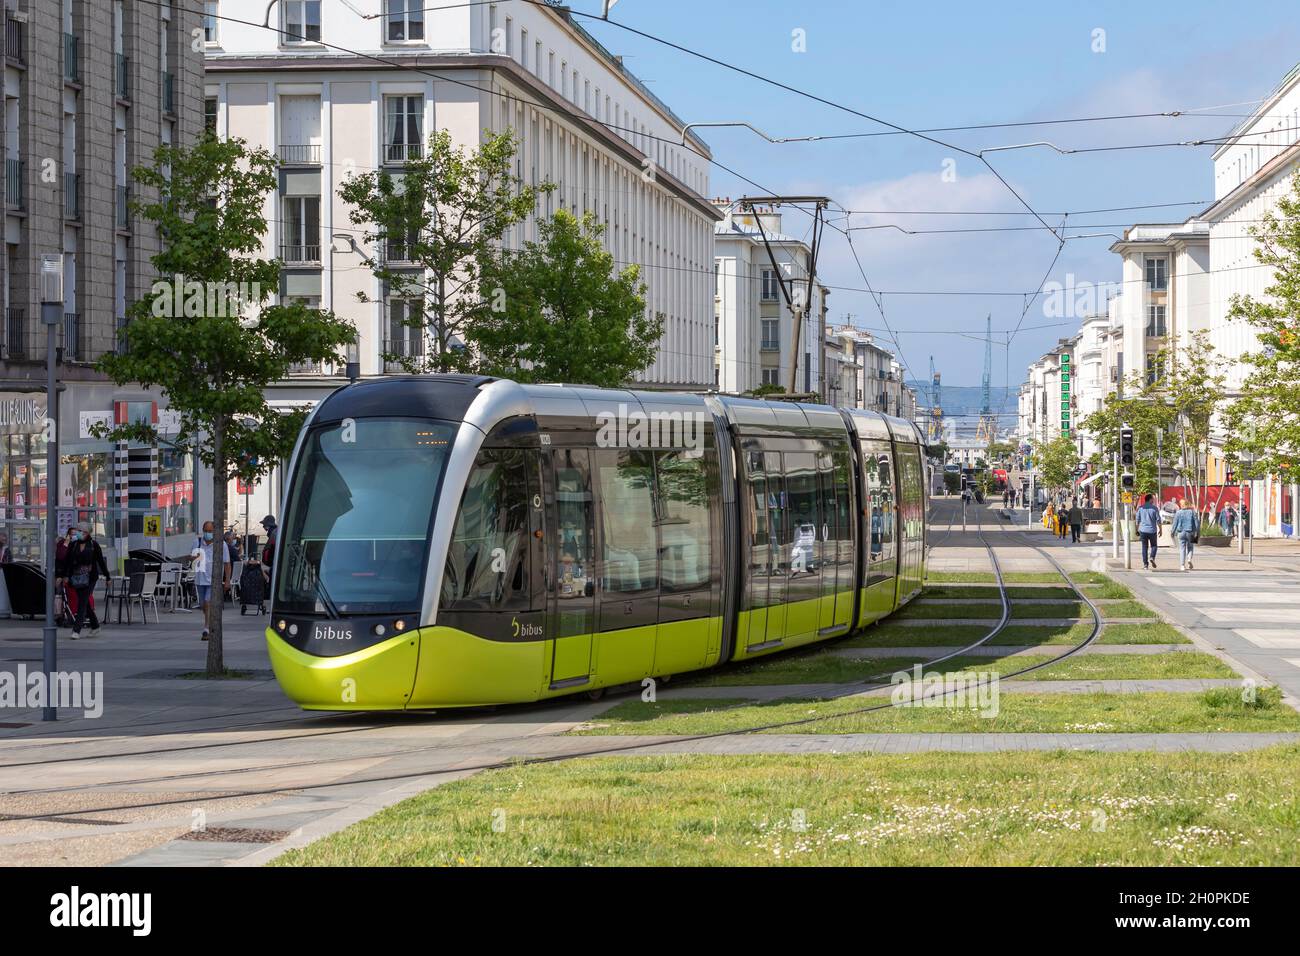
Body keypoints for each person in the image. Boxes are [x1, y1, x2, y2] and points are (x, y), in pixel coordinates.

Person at [60, 522, 110, 640]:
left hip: (90, 577)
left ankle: (76, 630)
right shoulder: (74, 544)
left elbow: (101, 562)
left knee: (82, 602)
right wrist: (65, 575)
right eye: (78, 530)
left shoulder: (93, 545)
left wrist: (108, 577)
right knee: (85, 602)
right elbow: (67, 561)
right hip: (77, 577)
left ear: (87, 533)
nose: (78, 532)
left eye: (80, 531)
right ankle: (95, 626)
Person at [192, 520, 233, 641]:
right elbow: (192, 559)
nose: (207, 533)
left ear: (215, 532)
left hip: (213, 580)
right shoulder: (197, 542)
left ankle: (206, 629)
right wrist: (194, 558)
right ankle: (210, 623)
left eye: (210, 531)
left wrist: (227, 580)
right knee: (203, 605)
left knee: (208, 603)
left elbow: (227, 564)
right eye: (205, 531)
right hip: (200, 579)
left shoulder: (221, 544)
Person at [1172, 497, 1200, 571]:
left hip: (1181, 532)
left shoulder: (1178, 512)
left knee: (1182, 549)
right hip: (1191, 532)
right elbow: (1197, 523)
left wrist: (1172, 532)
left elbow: (1175, 524)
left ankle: (1182, 566)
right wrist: (1198, 532)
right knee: (1190, 547)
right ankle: (1189, 559)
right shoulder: (1192, 512)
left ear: (1181, 505)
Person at [1136, 493, 1162, 569]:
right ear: (1150, 499)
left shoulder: (1141, 508)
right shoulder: (1154, 508)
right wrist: (1161, 530)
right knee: (1154, 546)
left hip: (1143, 531)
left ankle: (1145, 565)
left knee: (1144, 547)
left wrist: (1137, 529)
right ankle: (1152, 557)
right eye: (1153, 499)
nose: (1153, 500)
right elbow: (1158, 520)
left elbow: (1137, 520)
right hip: (1152, 531)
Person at [259, 515, 278, 579]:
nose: (263, 527)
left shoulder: (274, 534)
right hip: (271, 566)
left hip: (273, 567)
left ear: (268, 526)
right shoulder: (273, 533)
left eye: (264, 525)